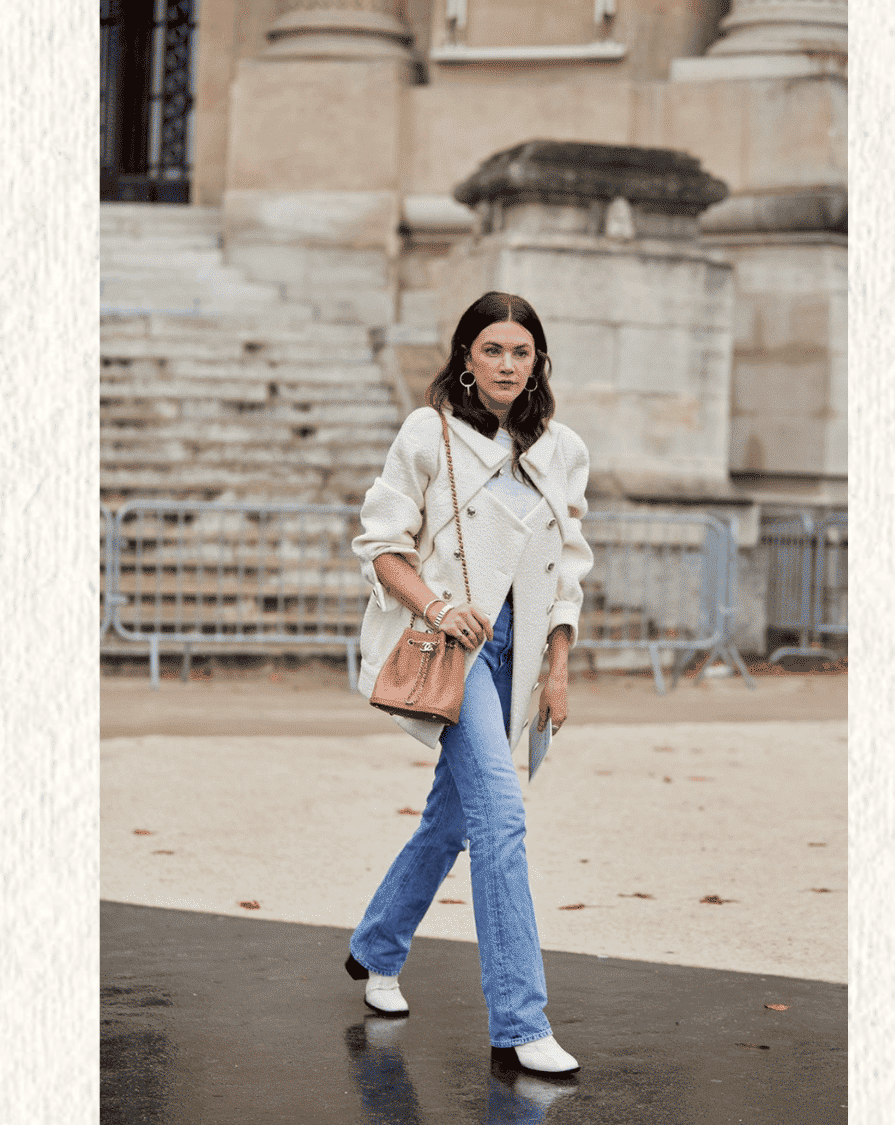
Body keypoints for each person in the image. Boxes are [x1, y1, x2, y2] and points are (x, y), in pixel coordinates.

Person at [345, 291, 595, 1075]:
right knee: (501, 820)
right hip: (458, 648)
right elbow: (382, 544)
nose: (508, 365)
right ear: (466, 358)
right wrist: (440, 604)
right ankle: (520, 1021)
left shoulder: (563, 450)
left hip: (523, 658)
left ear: (538, 362)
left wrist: (558, 666)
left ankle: (377, 946)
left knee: (452, 821)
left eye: (521, 352)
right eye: (493, 350)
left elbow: (569, 569)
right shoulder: (430, 434)